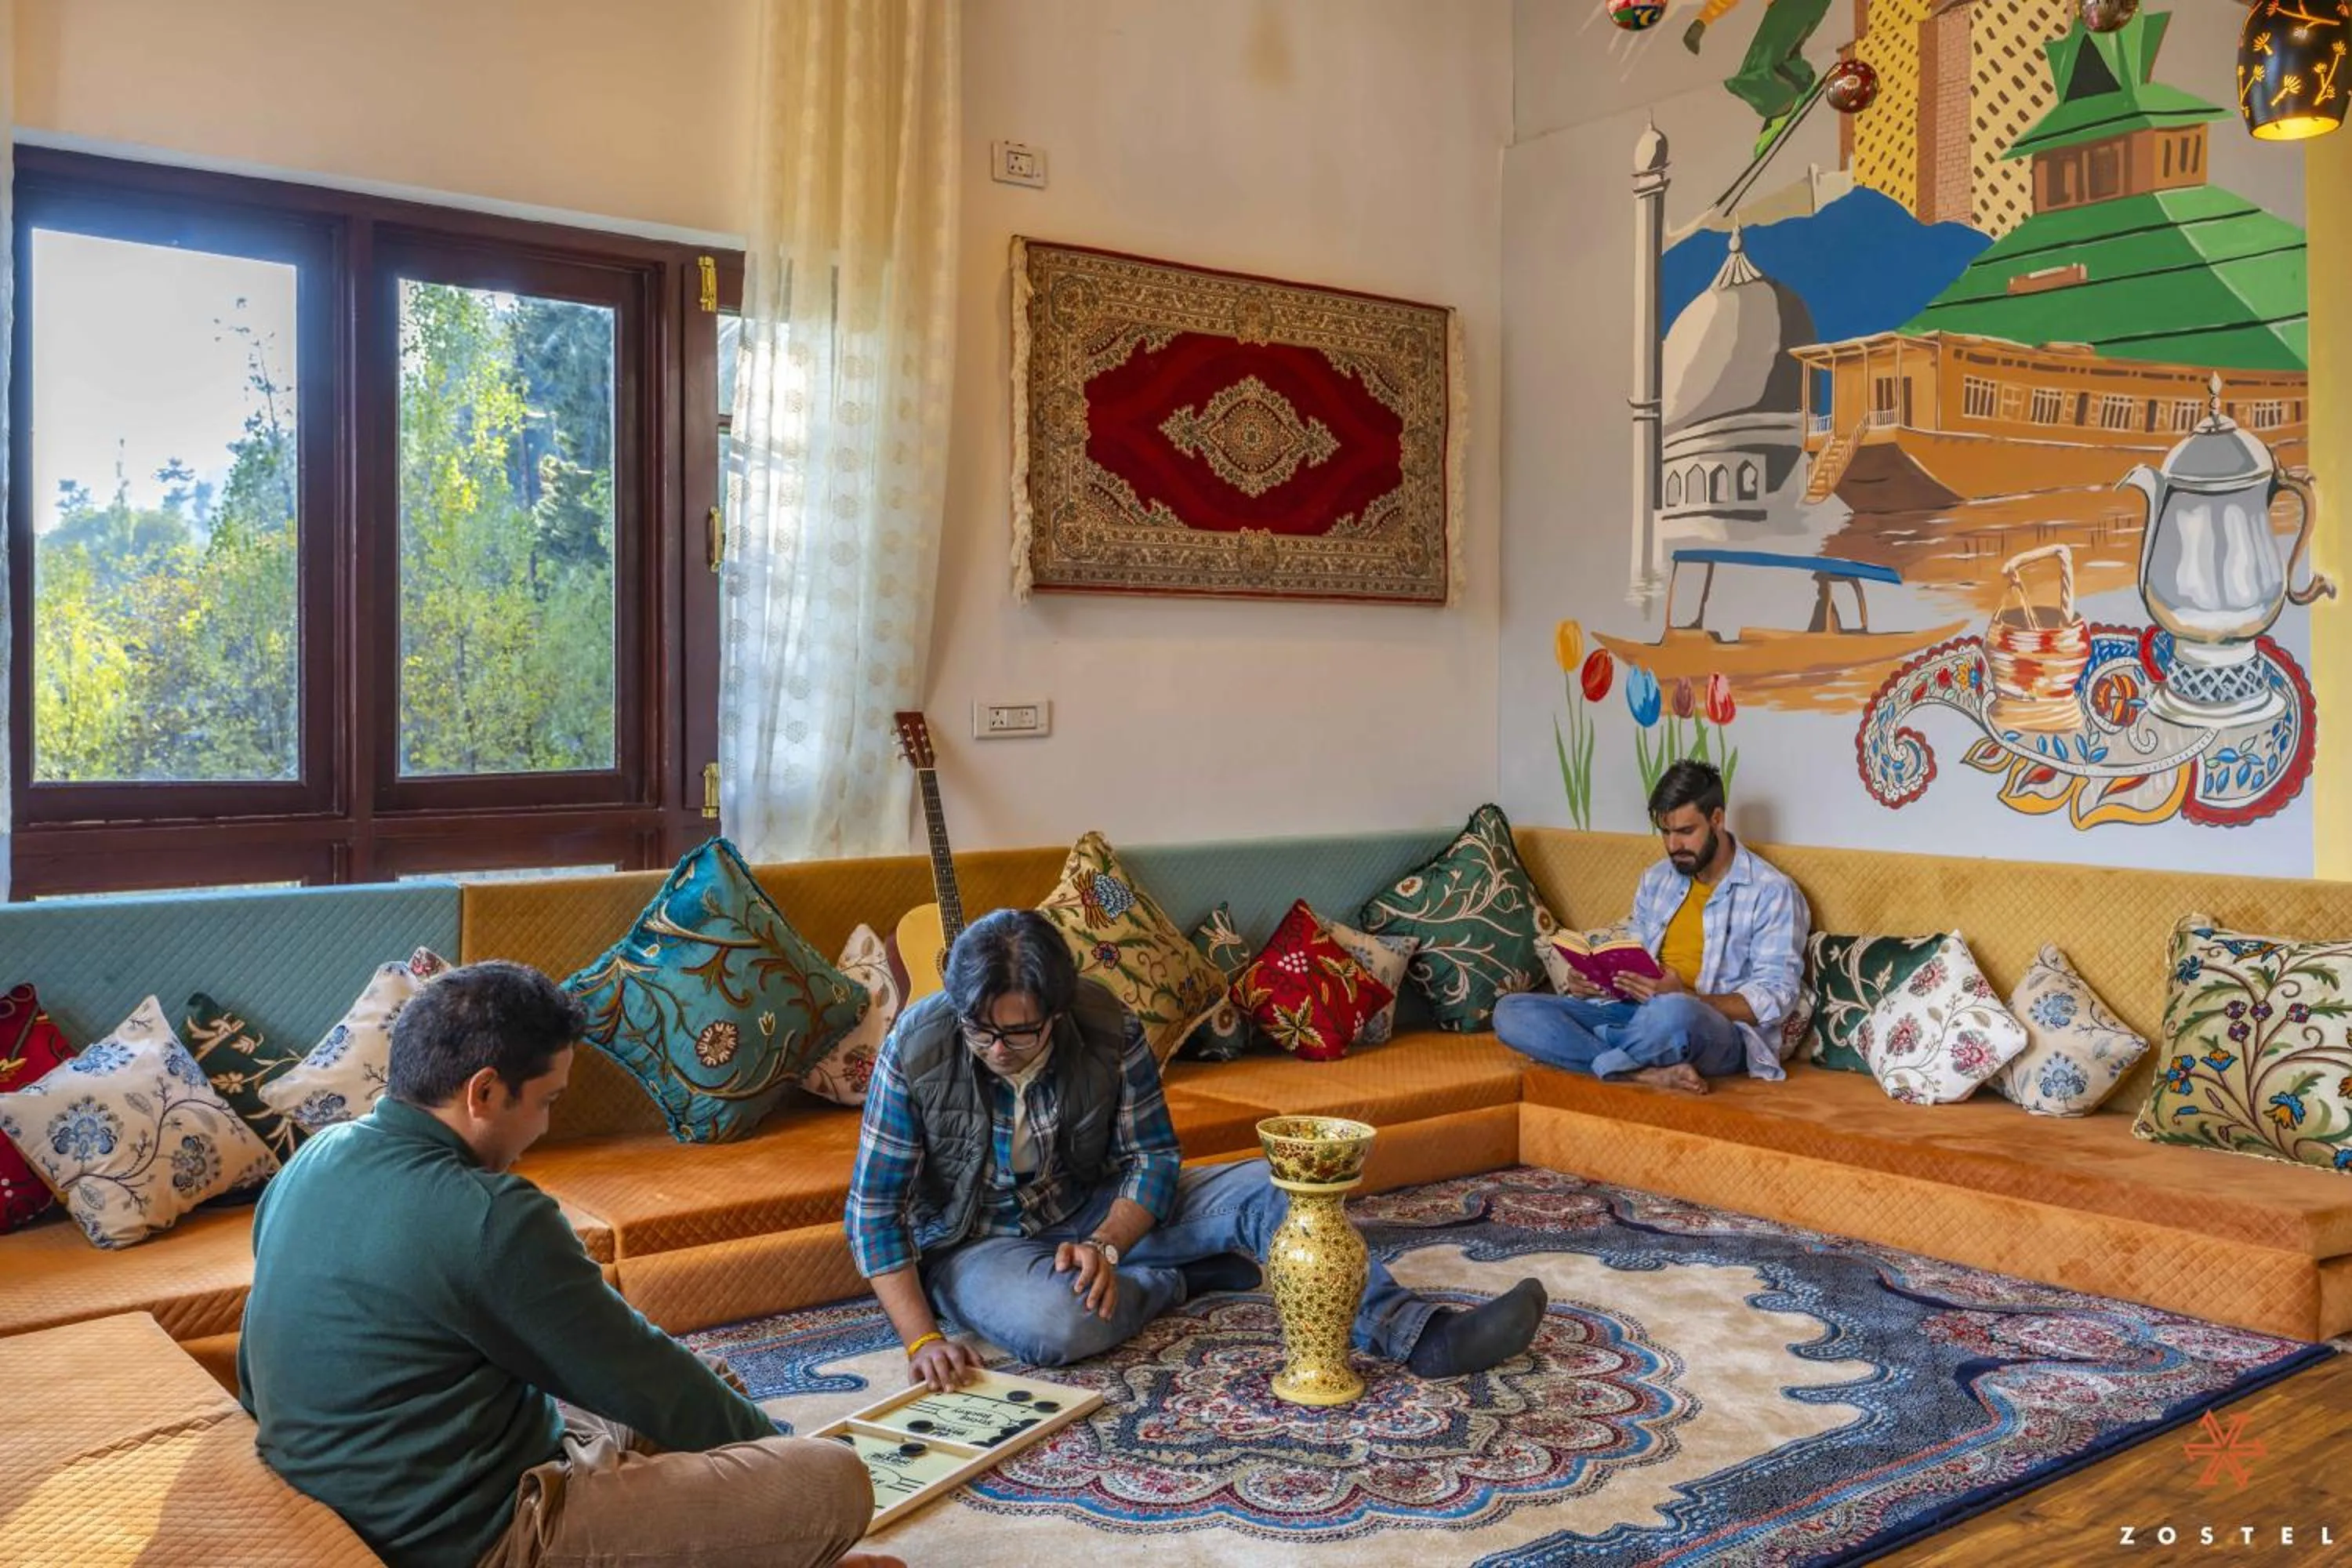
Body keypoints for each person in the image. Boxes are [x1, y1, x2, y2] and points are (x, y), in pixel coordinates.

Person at [239, 960, 895, 1568]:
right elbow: (643, 1375)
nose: (546, 1127)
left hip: (383, 1491)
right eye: (547, 1101)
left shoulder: (314, 1157)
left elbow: (255, 1368)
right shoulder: (487, 1215)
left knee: (705, 1378)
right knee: (831, 1482)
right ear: (484, 1092)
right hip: (474, 1536)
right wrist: (775, 1457)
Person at [846, 909, 1548, 1392]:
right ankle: (1178, 1280)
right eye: (981, 1031)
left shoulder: (1107, 1024)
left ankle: (1422, 1335)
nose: (997, 1049)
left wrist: (1107, 1244)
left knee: (1281, 1190)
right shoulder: (918, 1046)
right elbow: (874, 1209)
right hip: (976, 1243)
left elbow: (1152, 1157)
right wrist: (922, 1340)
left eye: (1019, 1033)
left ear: (1057, 1012)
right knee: (1057, 1323)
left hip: (1089, 1204)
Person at [1495, 760, 1808, 1096]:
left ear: (1717, 819)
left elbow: (1777, 996)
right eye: (1665, 832)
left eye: (1685, 831)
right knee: (1511, 1011)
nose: (1673, 846)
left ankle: (1594, 1049)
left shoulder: (1772, 891)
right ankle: (1642, 1071)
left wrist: (1687, 997)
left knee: (1673, 1013)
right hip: (1638, 1013)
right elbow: (1636, 959)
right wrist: (1596, 981)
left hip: (1711, 1028)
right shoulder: (1657, 879)